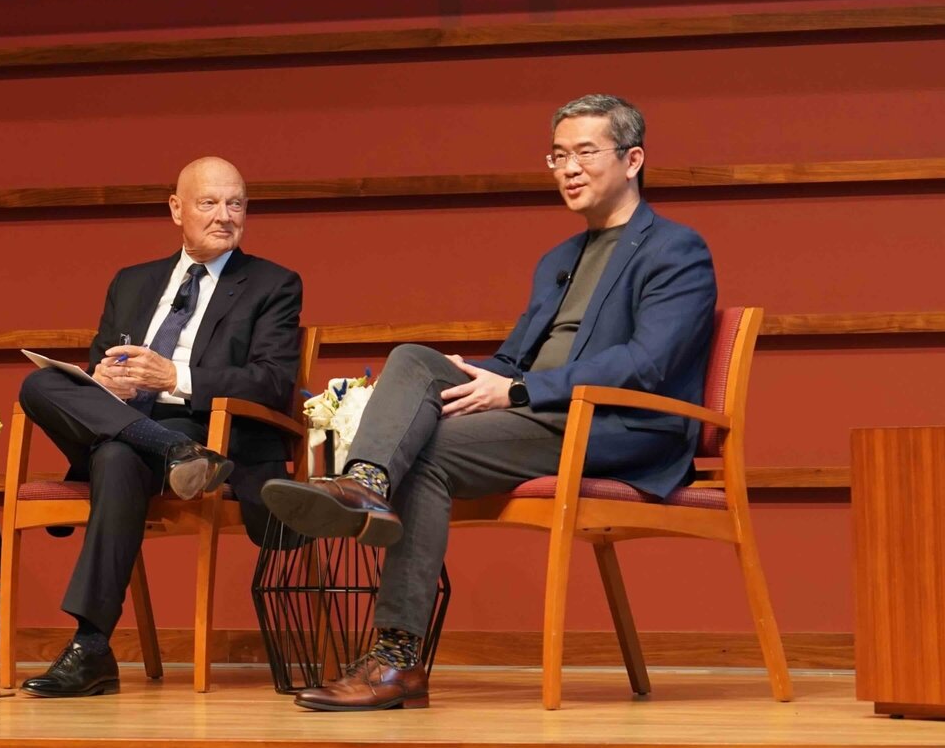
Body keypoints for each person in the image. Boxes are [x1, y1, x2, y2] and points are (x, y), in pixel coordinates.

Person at [262, 94, 717, 711]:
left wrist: (520, 389)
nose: (569, 169)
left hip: (617, 425)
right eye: (558, 156)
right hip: (539, 415)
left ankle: (396, 658)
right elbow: (514, 361)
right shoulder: (559, 259)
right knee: (413, 358)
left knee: (425, 457)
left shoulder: (676, 250)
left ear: (633, 159)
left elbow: (649, 363)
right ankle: (365, 482)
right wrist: (474, 376)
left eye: (585, 152)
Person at [15, 156, 304, 697]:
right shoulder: (132, 282)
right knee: (39, 386)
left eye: (236, 204)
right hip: (141, 426)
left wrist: (177, 375)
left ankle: (92, 647)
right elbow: (101, 364)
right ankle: (169, 448)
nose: (225, 216)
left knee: (116, 457)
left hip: (212, 433)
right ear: (176, 209)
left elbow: (271, 382)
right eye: (209, 203)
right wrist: (105, 379)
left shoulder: (273, 284)